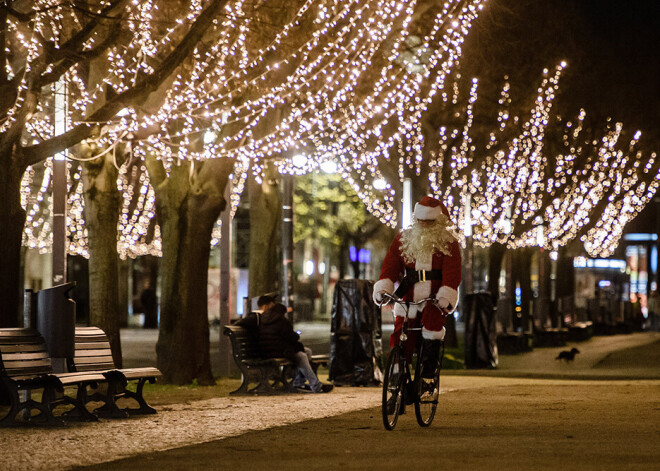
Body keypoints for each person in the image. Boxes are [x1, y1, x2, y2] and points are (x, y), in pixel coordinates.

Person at [373, 195, 462, 395]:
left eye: (429, 222)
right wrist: (384, 288)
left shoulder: (448, 243)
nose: (423, 225)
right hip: (409, 296)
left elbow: (452, 273)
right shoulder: (403, 239)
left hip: (434, 299)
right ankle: (396, 381)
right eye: (420, 221)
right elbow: (390, 266)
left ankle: (426, 377)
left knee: (432, 327)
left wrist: (446, 295)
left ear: (438, 221)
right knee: (400, 335)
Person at [256, 295, 333, 394]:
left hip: (269, 350)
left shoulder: (263, 318)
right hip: (277, 351)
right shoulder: (280, 320)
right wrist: (297, 343)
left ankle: (298, 382)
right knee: (301, 355)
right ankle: (316, 386)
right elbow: (291, 337)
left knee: (306, 351)